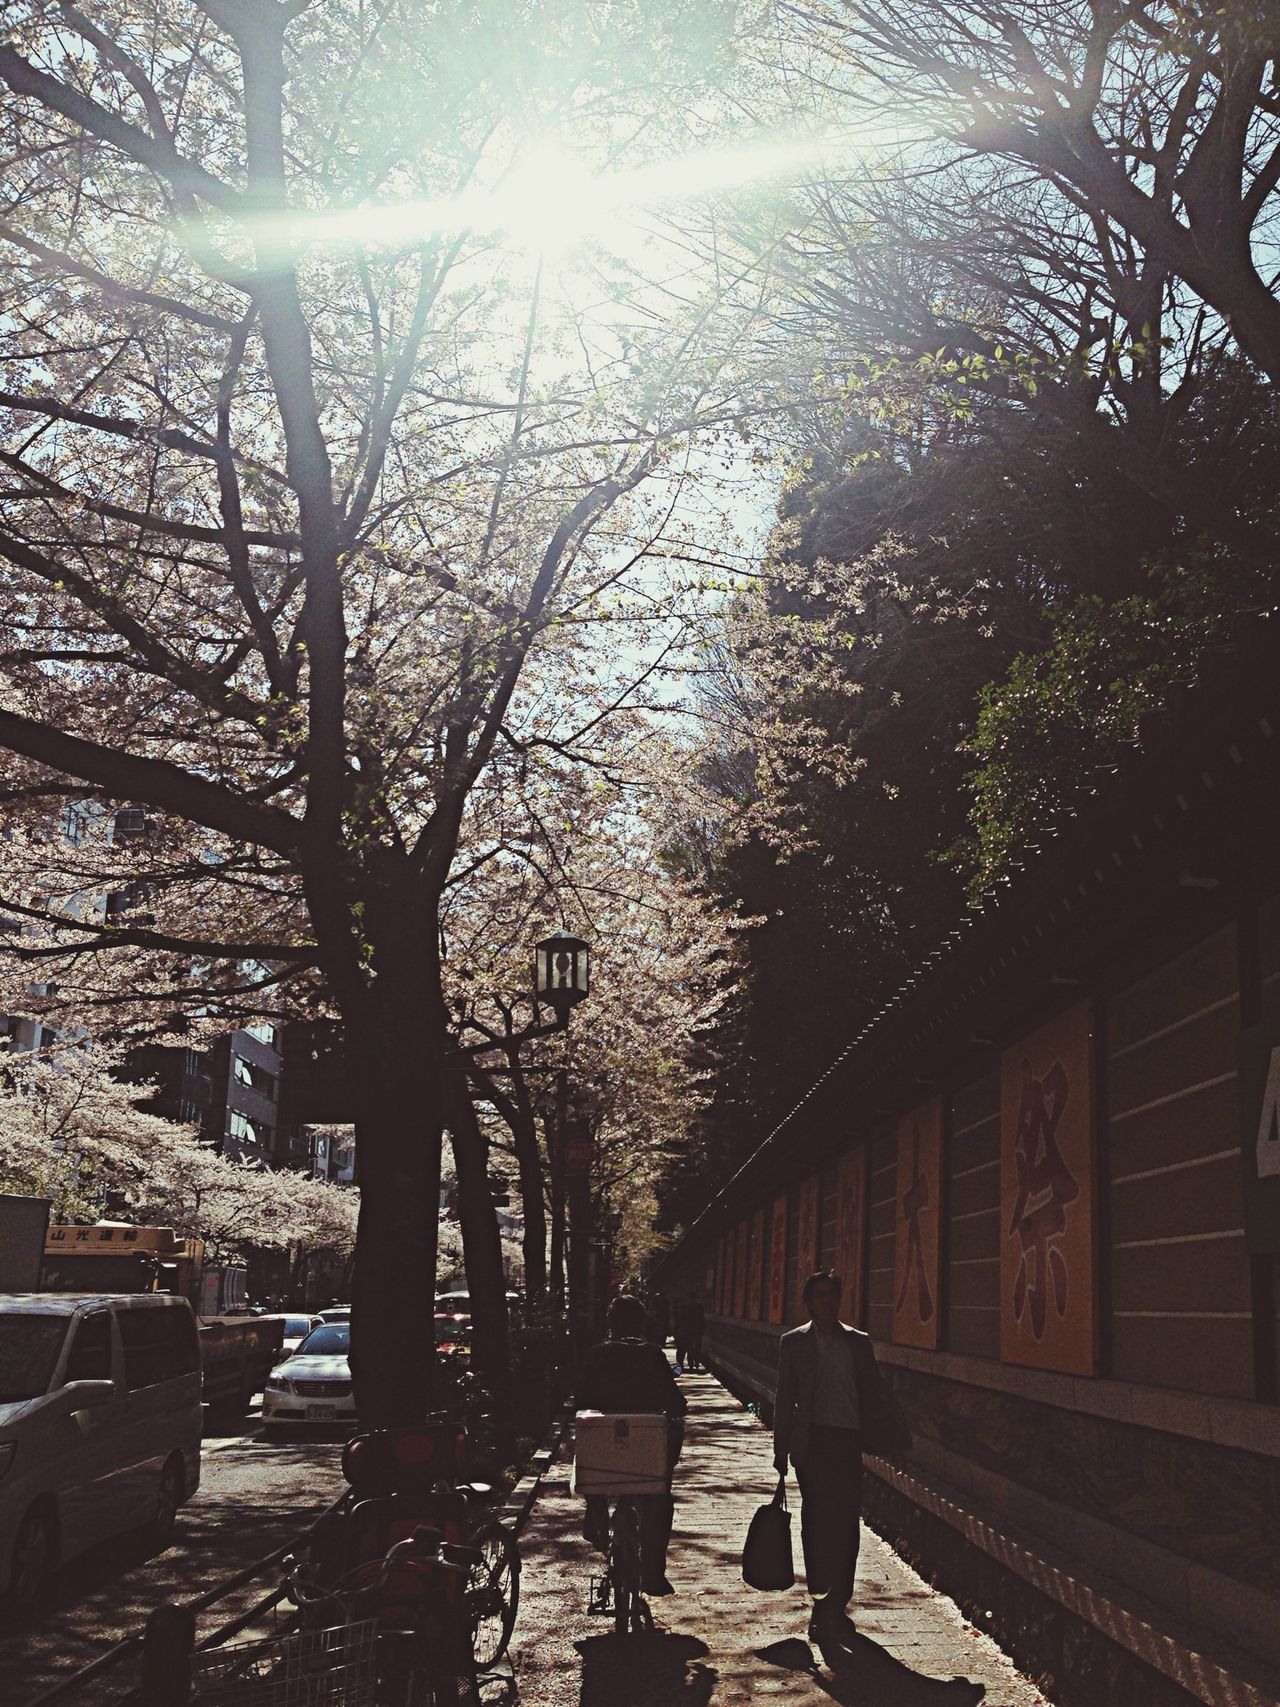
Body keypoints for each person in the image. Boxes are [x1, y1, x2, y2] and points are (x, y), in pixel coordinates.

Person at [773, 1270, 912, 1641]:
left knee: (847, 1524)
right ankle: (820, 1602)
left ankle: (839, 1601)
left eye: (832, 1295)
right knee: (817, 1524)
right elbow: (784, 1397)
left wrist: (898, 1441)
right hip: (812, 1443)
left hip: (847, 1442)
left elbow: (877, 1393)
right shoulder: (794, 1343)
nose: (827, 1302)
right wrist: (780, 1448)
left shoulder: (857, 1342)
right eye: (819, 1296)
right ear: (809, 1302)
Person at [576, 1293, 686, 1594]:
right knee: (659, 1500)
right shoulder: (652, 1355)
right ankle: (653, 1572)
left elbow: (581, 1398)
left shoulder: (597, 1354)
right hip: (645, 1448)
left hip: (605, 1448)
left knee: (595, 1458)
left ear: (610, 1324)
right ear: (641, 1324)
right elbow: (676, 1404)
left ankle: (595, 1507)